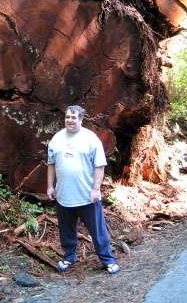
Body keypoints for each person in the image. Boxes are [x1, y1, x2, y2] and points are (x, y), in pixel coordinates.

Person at [47, 105, 120, 274]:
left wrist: (96, 189)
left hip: (87, 195)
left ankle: (107, 260)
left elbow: (100, 166)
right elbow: (50, 164)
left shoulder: (90, 139)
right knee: (66, 229)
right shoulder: (57, 139)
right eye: (67, 117)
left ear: (81, 119)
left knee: (98, 230)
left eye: (73, 117)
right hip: (63, 194)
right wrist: (50, 186)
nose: (70, 120)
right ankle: (69, 257)